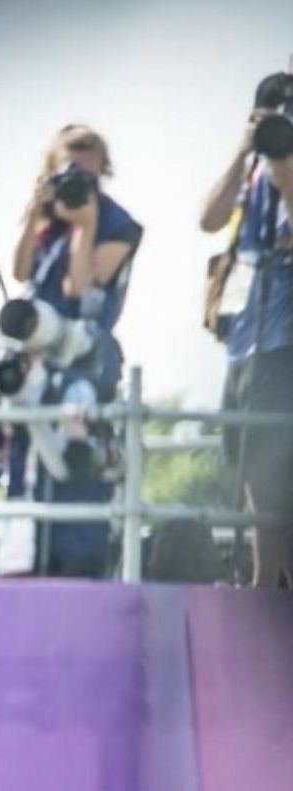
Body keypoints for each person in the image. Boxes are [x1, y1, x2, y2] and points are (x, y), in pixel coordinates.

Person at [0, 123, 142, 578]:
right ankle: (27, 569)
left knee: (78, 475)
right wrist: (33, 215)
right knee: (25, 471)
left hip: (85, 362)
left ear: (104, 165)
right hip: (35, 362)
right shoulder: (48, 220)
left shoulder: (118, 223)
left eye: (88, 160)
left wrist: (86, 226)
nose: (79, 170)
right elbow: (20, 269)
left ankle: (81, 574)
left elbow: (82, 291)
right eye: (69, 163)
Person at [201, 73, 293, 589]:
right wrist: (245, 152)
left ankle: (267, 586)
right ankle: (268, 583)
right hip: (244, 330)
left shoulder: (284, 168)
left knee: (273, 464)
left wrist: (285, 167)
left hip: (285, 333)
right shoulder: (253, 169)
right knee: (247, 458)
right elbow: (208, 219)